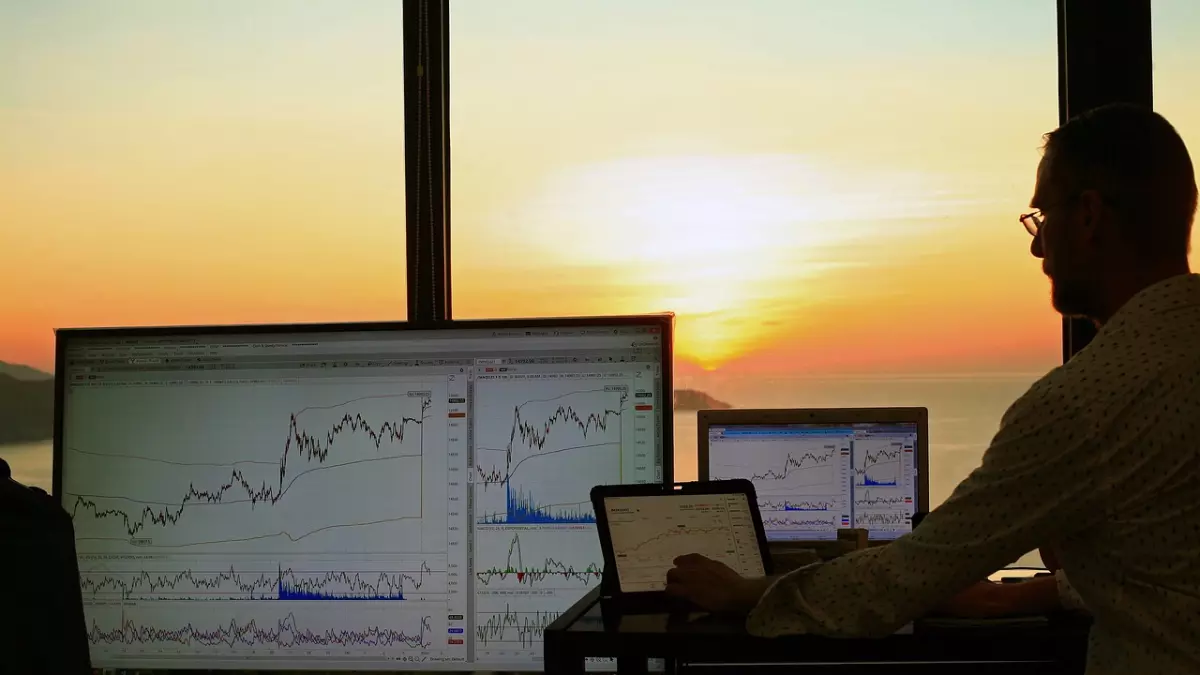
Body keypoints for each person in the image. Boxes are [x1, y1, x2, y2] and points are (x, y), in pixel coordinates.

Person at [665, 104, 1200, 675]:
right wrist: (1035, 592)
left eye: (1042, 216)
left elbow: (907, 577)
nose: (1037, 248)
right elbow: (1170, 565)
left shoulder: (1085, 402)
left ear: (1089, 215)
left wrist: (745, 593)